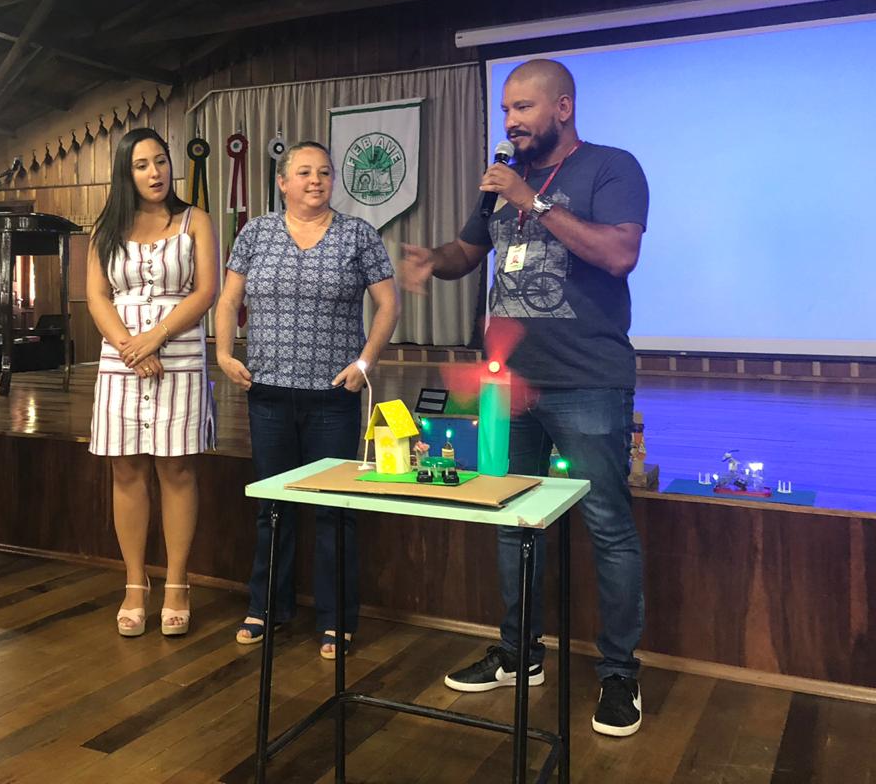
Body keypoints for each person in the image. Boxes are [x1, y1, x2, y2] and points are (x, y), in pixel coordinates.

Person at [400, 59, 649, 737]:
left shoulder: (610, 168)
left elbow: (618, 255)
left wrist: (531, 201)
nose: (510, 121)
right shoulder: (503, 176)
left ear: (563, 107)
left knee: (607, 526)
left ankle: (619, 674)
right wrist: (434, 260)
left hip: (587, 380)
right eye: (506, 109)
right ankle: (518, 654)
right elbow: (468, 250)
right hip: (506, 384)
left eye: (524, 108)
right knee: (510, 519)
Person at [217, 140, 399, 659]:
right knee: (272, 506)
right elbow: (229, 300)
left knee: (333, 510)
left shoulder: (358, 234)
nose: (315, 180)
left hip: (332, 396)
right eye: (303, 172)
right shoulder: (255, 233)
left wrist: (365, 363)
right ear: (282, 183)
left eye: (323, 172)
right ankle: (267, 606)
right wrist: (225, 353)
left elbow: (388, 305)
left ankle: (336, 618)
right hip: (267, 394)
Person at [88, 127, 219, 639]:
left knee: (177, 470)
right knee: (125, 470)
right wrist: (129, 346)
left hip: (178, 354)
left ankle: (178, 584)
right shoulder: (106, 228)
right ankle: (134, 583)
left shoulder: (195, 220)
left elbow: (206, 291)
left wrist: (155, 337)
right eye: (141, 164)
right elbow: (97, 296)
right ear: (126, 172)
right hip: (121, 358)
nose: (154, 172)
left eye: (160, 161)